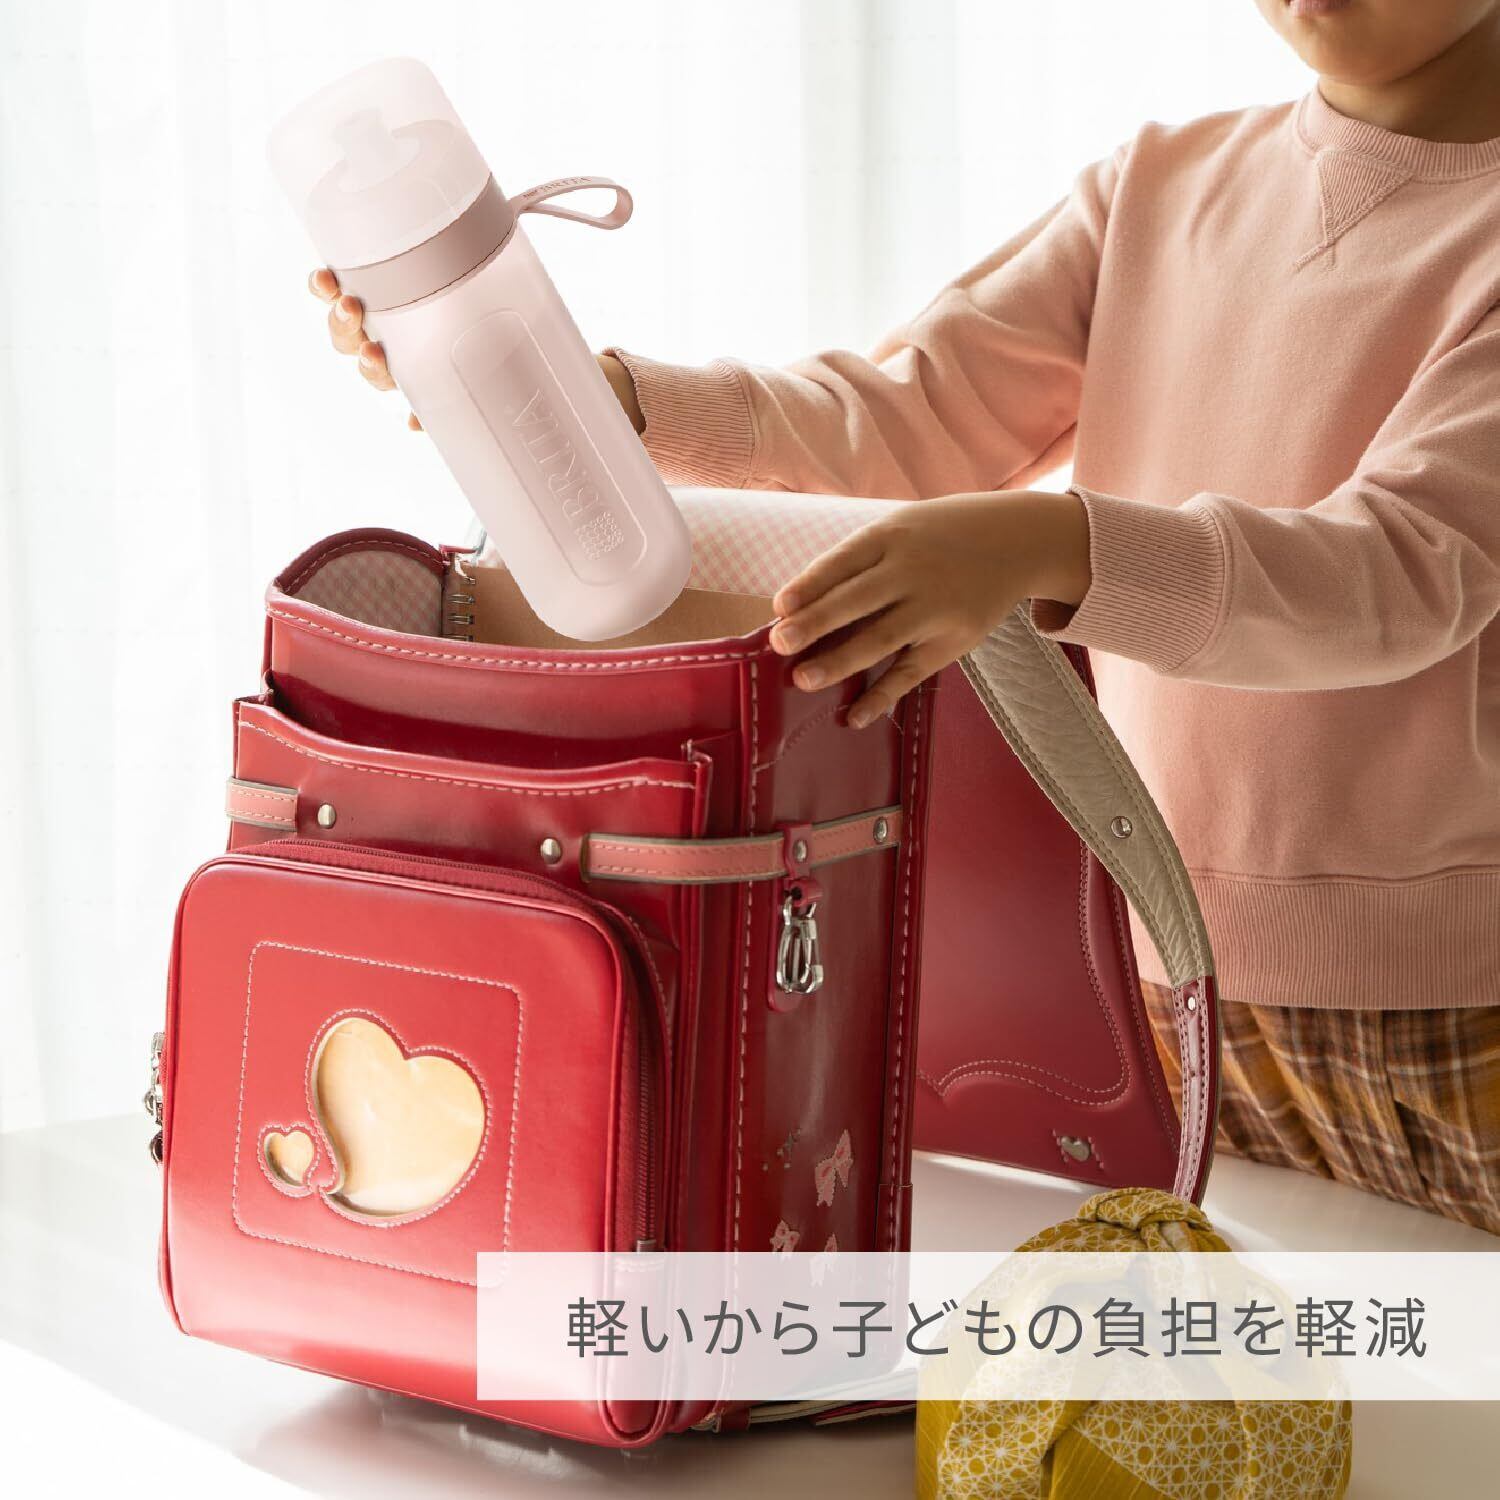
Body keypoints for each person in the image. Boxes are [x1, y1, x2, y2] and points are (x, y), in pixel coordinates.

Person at [310, 0, 1500, 1233]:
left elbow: (1399, 572)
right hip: (1140, 988)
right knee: (1205, 1352)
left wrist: (1041, 544)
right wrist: (596, 401)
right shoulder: (1157, 190)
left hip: (1445, 1020)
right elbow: (904, 413)